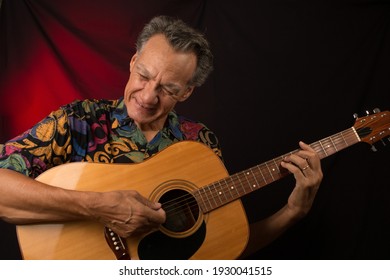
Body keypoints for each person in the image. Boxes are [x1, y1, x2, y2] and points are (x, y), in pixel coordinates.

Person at [0, 15, 323, 259]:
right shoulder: (79, 120)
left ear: (186, 92)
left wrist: (292, 213)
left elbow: (221, 251)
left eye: (168, 88)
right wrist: (96, 206)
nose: (148, 96)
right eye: (143, 75)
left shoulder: (201, 143)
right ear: (133, 62)